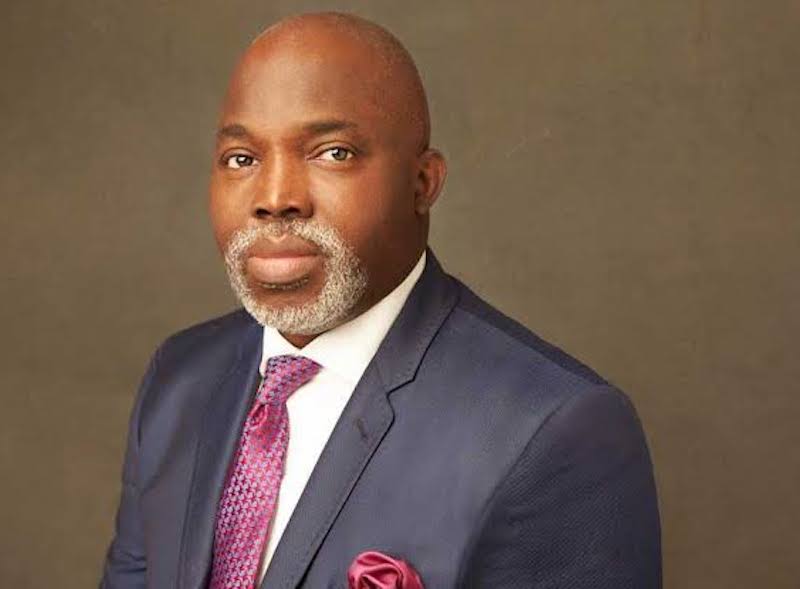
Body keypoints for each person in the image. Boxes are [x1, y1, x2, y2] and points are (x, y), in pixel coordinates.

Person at [100, 11, 661, 589]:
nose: (275, 197)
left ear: (423, 184)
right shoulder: (180, 379)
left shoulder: (552, 430)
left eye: (333, 153)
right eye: (242, 159)